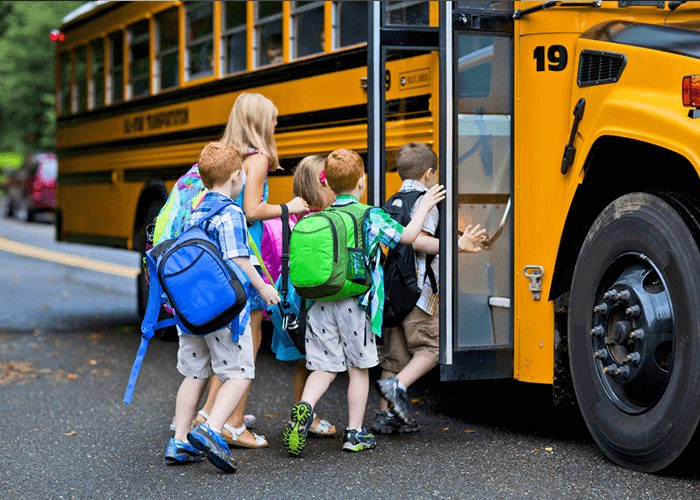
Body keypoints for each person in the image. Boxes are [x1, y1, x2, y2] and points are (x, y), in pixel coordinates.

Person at [282, 149, 446, 455]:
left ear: (328, 185)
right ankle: (354, 434)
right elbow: (409, 236)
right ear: (363, 181)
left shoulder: (321, 216)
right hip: (354, 305)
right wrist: (423, 207)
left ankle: (304, 407)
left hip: (319, 304)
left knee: (323, 368)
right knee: (358, 370)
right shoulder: (370, 215)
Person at [194, 93, 309, 449]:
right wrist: (287, 206)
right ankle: (233, 423)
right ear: (260, 122)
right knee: (249, 340)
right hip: (249, 251)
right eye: (273, 119)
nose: (276, 125)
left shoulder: (228, 154)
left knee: (230, 342)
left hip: (221, 256)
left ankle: (208, 413)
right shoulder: (256, 159)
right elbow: (251, 210)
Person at [165, 142, 280, 473]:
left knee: (193, 373)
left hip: (191, 310)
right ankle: (212, 428)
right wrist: (263, 286)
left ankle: (181, 439)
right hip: (224, 311)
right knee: (241, 372)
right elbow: (238, 258)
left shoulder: (194, 208)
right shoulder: (230, 212)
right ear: (236, 177)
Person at [371, 143, 486, 434]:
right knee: (432, 347)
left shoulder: (394, 200)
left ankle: (387, 416)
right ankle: (395, 387)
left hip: (392, 290)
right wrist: (456, 245)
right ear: (430, 172)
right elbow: (419, 240)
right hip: (418, 293)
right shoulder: (427, 200)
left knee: (395, 357)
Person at [264, 155, 337, 436]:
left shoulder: (296, 218)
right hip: (312, 298)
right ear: (319, 187)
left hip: (293, 298)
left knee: (302, 359)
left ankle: (302, 412)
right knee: (315, 359)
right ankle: (308, 416)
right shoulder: (320, 221)